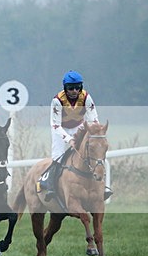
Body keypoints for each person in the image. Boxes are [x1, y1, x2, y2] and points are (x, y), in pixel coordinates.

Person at [40, 70, 111, 200]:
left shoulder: (86, 98)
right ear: (65, 88)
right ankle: (50, 186)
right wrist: (69, 140)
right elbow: (55, 125)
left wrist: (96, 133)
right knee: (58, 156)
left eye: (77, 87)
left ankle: (102, 186)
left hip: (79, 126)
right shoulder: (57, 101)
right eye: (70, 88)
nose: (74, 90)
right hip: (61, 128)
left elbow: (93, 120)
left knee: (94, 153)